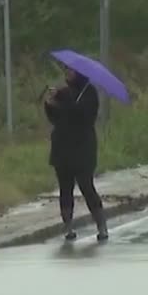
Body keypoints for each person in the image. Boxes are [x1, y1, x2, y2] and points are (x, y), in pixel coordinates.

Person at [44, 66, 109, 242]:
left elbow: (84, 116)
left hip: (83, 148)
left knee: (86, 186)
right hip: (62, 147)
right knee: (65, 188)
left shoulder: (89, 93)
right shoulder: (64, 92)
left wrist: (66, 102)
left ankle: (101, 225)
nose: (67, 74)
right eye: (66, 71)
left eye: (71, 71)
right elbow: (56, 118)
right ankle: (68, 227)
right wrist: (50, 105)